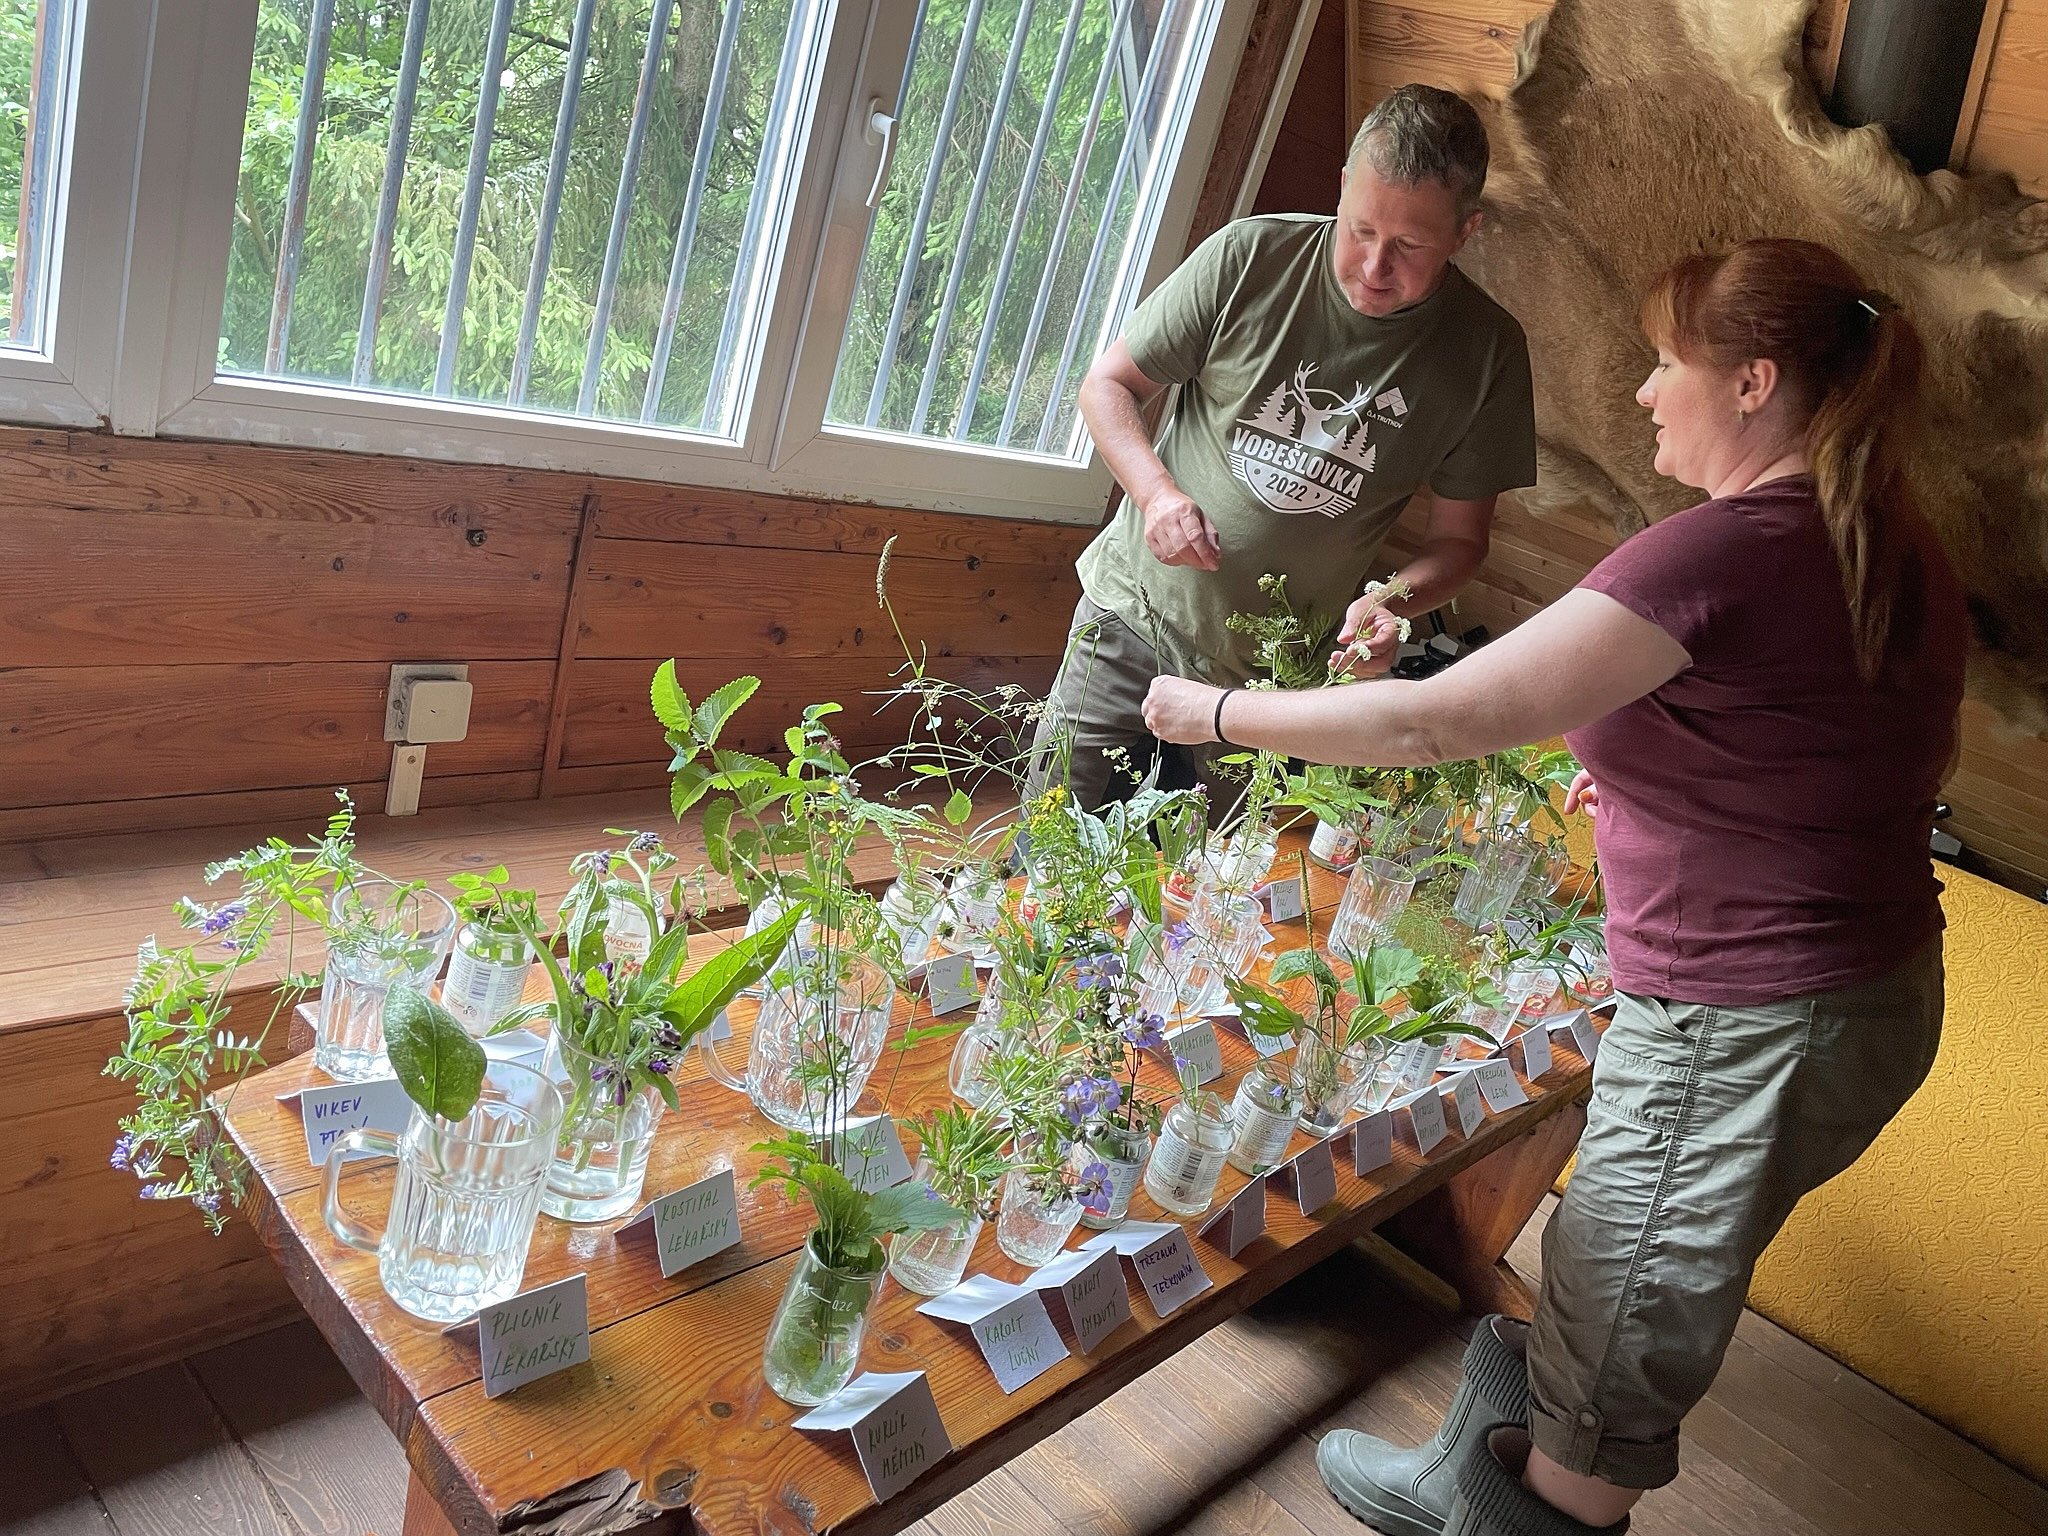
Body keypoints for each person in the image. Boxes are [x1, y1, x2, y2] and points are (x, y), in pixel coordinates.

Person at [1143, 236, 1966, 1536]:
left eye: (1663, 362)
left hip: (1746, 1022)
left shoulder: (1721, 551)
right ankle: (1463, 1478)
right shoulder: (1885, 544)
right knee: (1604, 1272)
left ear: (1751, 382)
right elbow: (1837, 750)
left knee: (1614, 1338)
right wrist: (1656, 787)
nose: (1643, 393)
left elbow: (1431, 721)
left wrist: (1220, 710)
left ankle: (1532, 1510)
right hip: (1851, 1001)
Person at [1028, 83, 1537, 810]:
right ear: (1343, 186)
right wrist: (1157, 495)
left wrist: (1391, 600)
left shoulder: (1487, 354)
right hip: (1132, 615)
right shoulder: (1252, 257)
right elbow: (1107, 385)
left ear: (1465, 232)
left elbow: (1460, 542)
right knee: (1050, 840)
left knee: (1209, 871)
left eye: (1409, 247)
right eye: (1360, 229)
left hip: (1274, 680)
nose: (1374, 267)